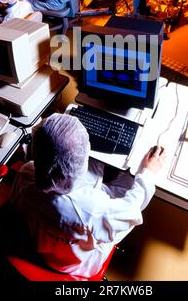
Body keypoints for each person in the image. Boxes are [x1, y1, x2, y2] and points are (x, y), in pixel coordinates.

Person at [11, 113, 166, 278]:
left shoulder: (25, 174)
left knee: (96, 170)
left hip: (44, 248)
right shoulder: (92, 210)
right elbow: (131, 210)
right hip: (79, 265)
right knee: (125, 184)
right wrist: (148, 173)